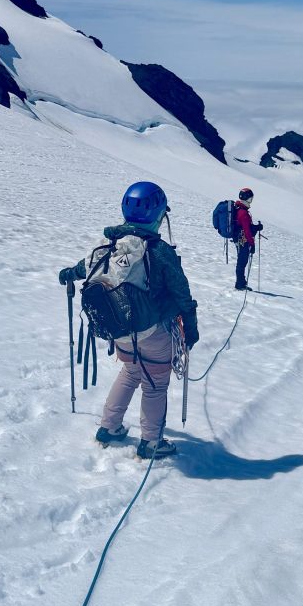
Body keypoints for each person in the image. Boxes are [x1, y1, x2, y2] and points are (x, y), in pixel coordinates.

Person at [58, 181, 199, 459]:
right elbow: (182, 294)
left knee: (131, 372)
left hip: (120, 331)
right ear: (159, 215)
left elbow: (82, 268)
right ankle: (151, 442)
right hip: (154, 332)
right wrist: (191, 330)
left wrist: (67, 274)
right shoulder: (158, 251)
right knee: (155, 384)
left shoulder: (110, 244)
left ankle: (109, 427)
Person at [234, 187, 264, 291]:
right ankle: (240, 284)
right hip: (243, 241)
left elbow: (246, 227)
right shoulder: (243, 213)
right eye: (250, 198)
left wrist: (255, 227)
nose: (251, 201)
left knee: (241, 261)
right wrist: (252, 244)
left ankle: (241, 282)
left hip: (239, 239)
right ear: (246, 198)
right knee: (242, 261)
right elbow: (247, 231)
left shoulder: (240, 209)